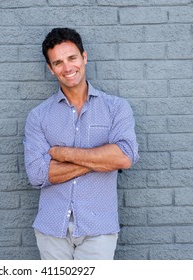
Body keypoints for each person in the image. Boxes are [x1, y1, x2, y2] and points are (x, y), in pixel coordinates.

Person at [23, 27, 139, 260]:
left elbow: (125, 156)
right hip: (51, 230)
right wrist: (101, 160)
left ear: (84, 57)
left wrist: (61, 153)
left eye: (72, 58)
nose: (67, 68)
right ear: (50, 68)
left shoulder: (115, 108)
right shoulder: (38, 116)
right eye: (58, 62)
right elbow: (37, 174)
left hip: (99, 229)